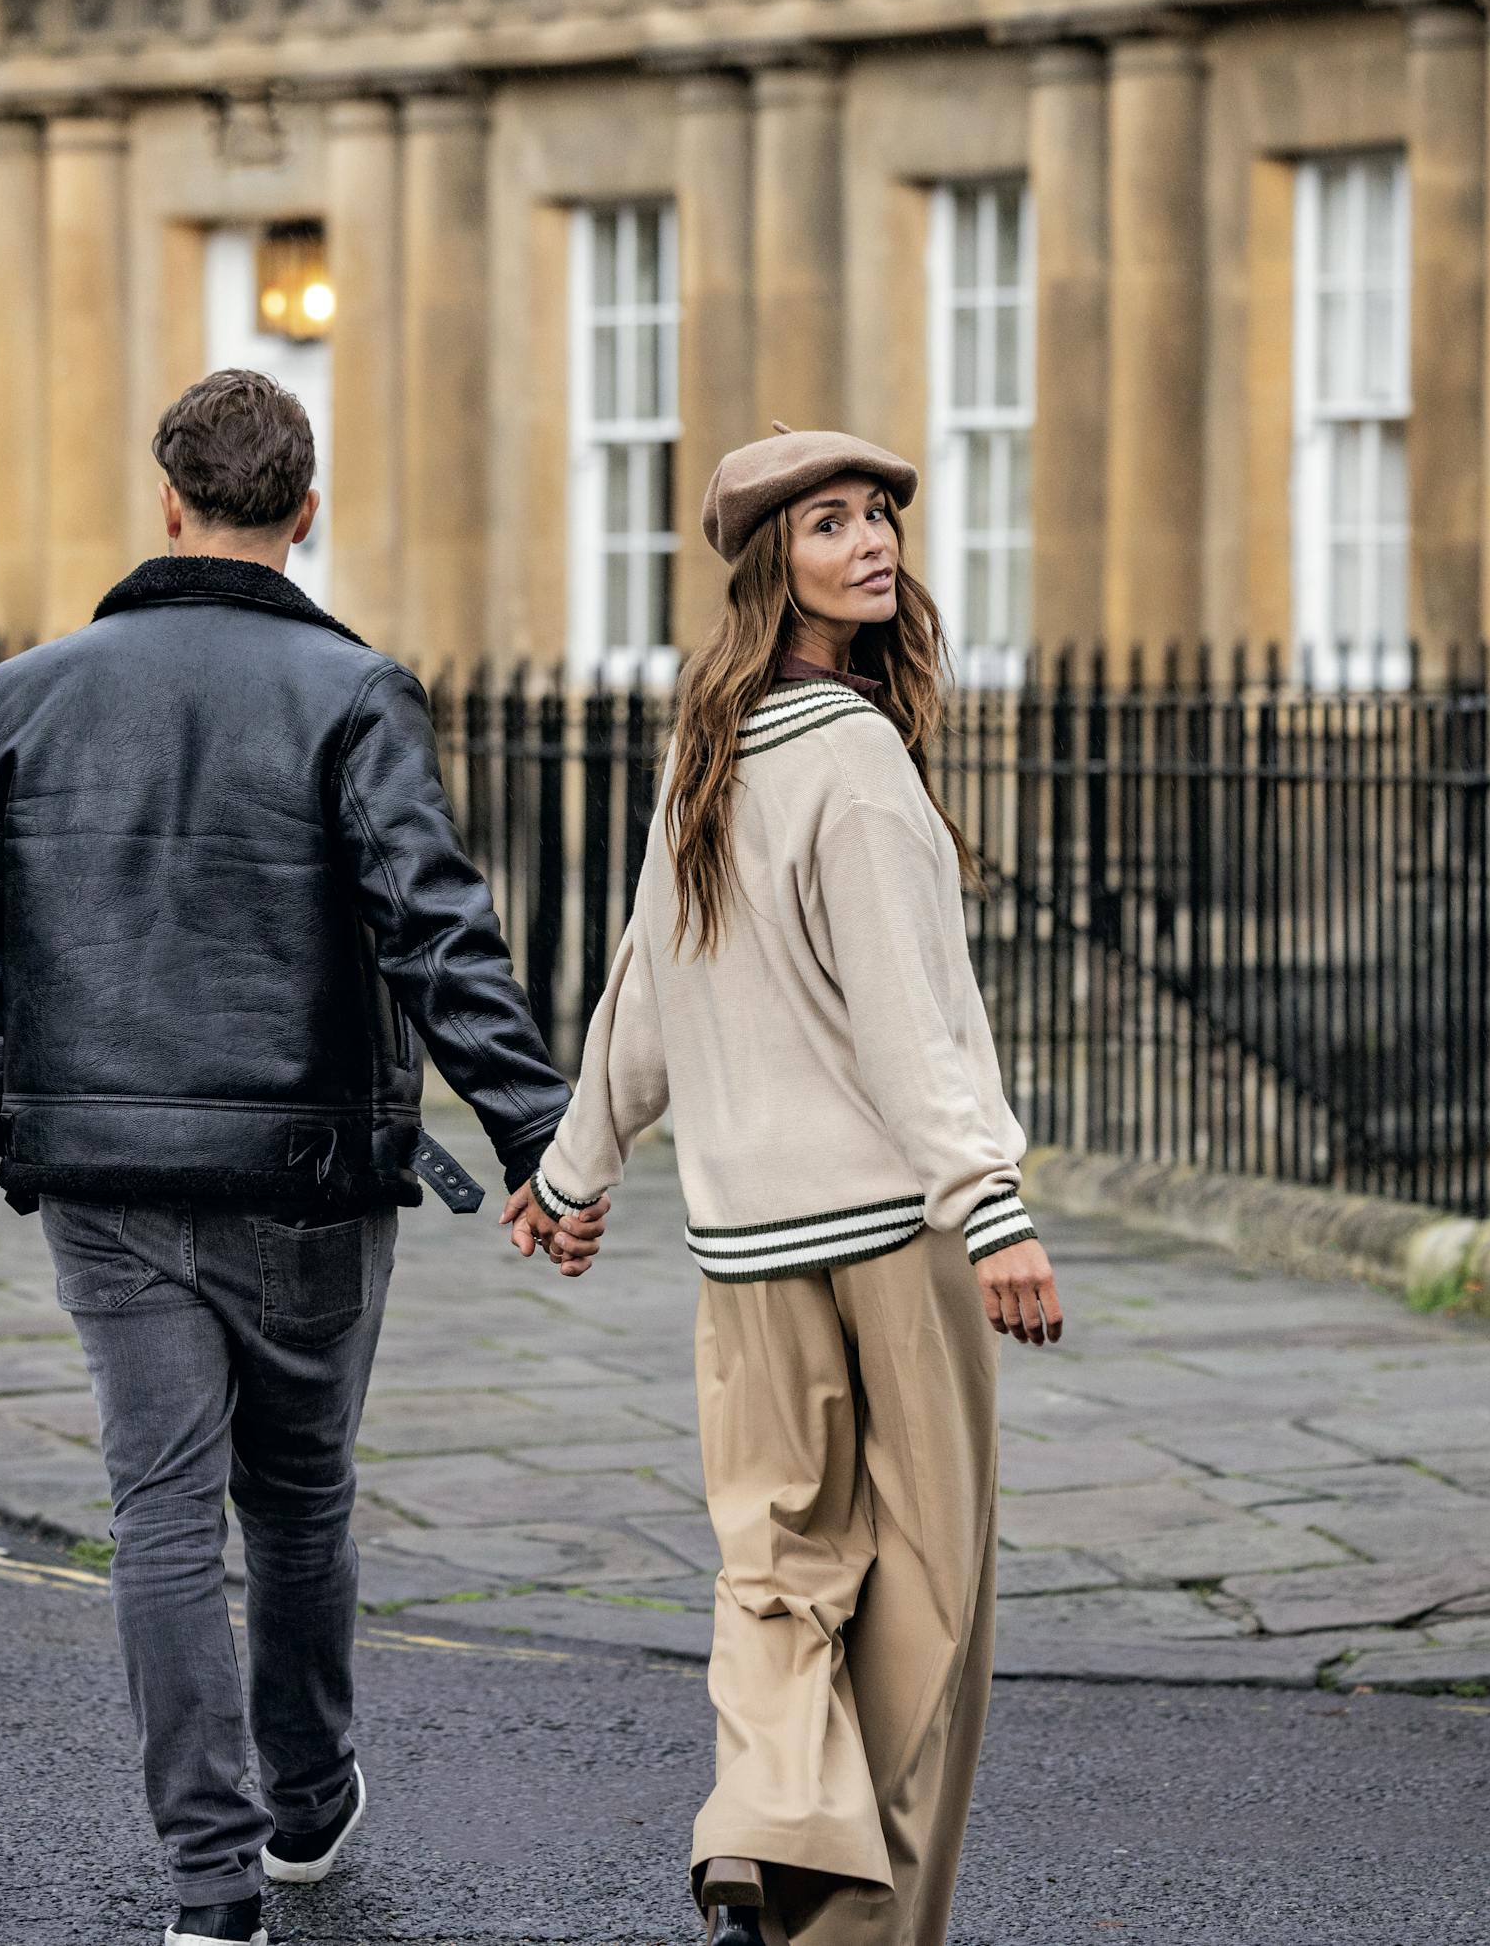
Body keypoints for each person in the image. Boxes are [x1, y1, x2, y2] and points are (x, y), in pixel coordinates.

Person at [0, 368, 579, 1946]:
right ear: (307, 511)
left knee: (158, 1514)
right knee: (297, 1506)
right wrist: (544, 1140)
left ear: (167, 502)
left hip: (108, 1180)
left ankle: (209, 1895)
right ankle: (305, 1809)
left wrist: (34, 1111)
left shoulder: (28, 691)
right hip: (305, 1183)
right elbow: (439, 936)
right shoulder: (356, 693)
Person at [500, 429, 1063, 1946]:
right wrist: (992, 1207)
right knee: (928, 1598)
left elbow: (638, 987)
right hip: (891, 1242)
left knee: (776, 1573)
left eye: (880, 515)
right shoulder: (858, 759)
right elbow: (910, 1013)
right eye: (832, 523)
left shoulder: (704, 743)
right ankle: (847, 1922)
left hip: (741, 1248)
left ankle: (758, 1836)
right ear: (776, 564)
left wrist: (573, 1172)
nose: (873, 541)